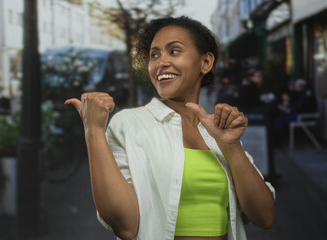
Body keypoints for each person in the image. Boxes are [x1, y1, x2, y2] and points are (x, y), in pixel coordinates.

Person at [65, 16, 275, 240]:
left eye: (174, 51)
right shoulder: (129, 124)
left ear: (206, 63)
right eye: (154, 55)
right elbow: (125, 226)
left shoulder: (219, 132)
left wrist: (231, 146)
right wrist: (94, 131)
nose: (160, 62)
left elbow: (264, 217)